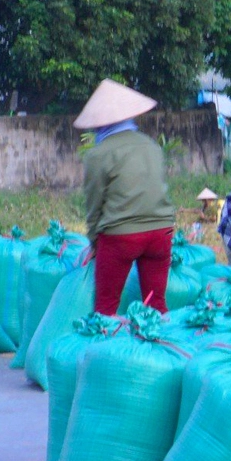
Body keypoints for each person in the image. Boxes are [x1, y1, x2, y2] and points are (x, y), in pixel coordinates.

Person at [75, 79, 177, 316]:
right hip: (161, 233)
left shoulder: (98, 155)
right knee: (156, 305)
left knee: (106, 308)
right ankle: (161, 350)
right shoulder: (151, 146)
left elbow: (94, 203)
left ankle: (104, 349)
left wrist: (94, 241)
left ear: (99, 123)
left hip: (121, 237)